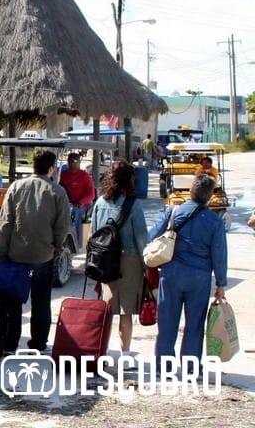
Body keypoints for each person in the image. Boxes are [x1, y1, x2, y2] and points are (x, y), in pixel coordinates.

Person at [148, 174, 227, 372]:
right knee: (195, 324)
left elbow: (151, 236)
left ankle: (163, 365)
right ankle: (191, 366)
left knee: (167, 322)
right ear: (210, 196)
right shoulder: (215, 222)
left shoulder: (173, 212)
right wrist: (221, 283)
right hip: (199, 279)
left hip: (171, 274)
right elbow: (219, 254)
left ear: (191, 191)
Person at [0, 150, 70, 353]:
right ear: (52, 168)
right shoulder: (57, 192)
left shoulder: (16, 187)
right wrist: (56, 247)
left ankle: (10, 343)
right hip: (43, 255)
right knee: (41, 301)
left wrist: (2, 251)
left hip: (16, 255)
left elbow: (5, 222)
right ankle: (38, 344)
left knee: (13, 301)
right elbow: (62, 226)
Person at [90, 160, 148, 362]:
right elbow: (142, 239)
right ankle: (125, 355)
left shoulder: (100, 203)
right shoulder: (134, 205)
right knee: (126, 311)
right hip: (129, 260)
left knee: (107, 309)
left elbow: (94, 235)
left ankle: (101, 351)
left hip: (105, 260)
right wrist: (147, 266)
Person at [58, 152, 95, 250]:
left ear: (79, 162)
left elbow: (91, 195)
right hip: (66, 202)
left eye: (74, 161)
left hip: (82, 204)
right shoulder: (62, 174)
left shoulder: (85, 176)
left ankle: (76, 242)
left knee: (75, 212)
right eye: (70, 161)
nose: (72, 164)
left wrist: (80, 202)